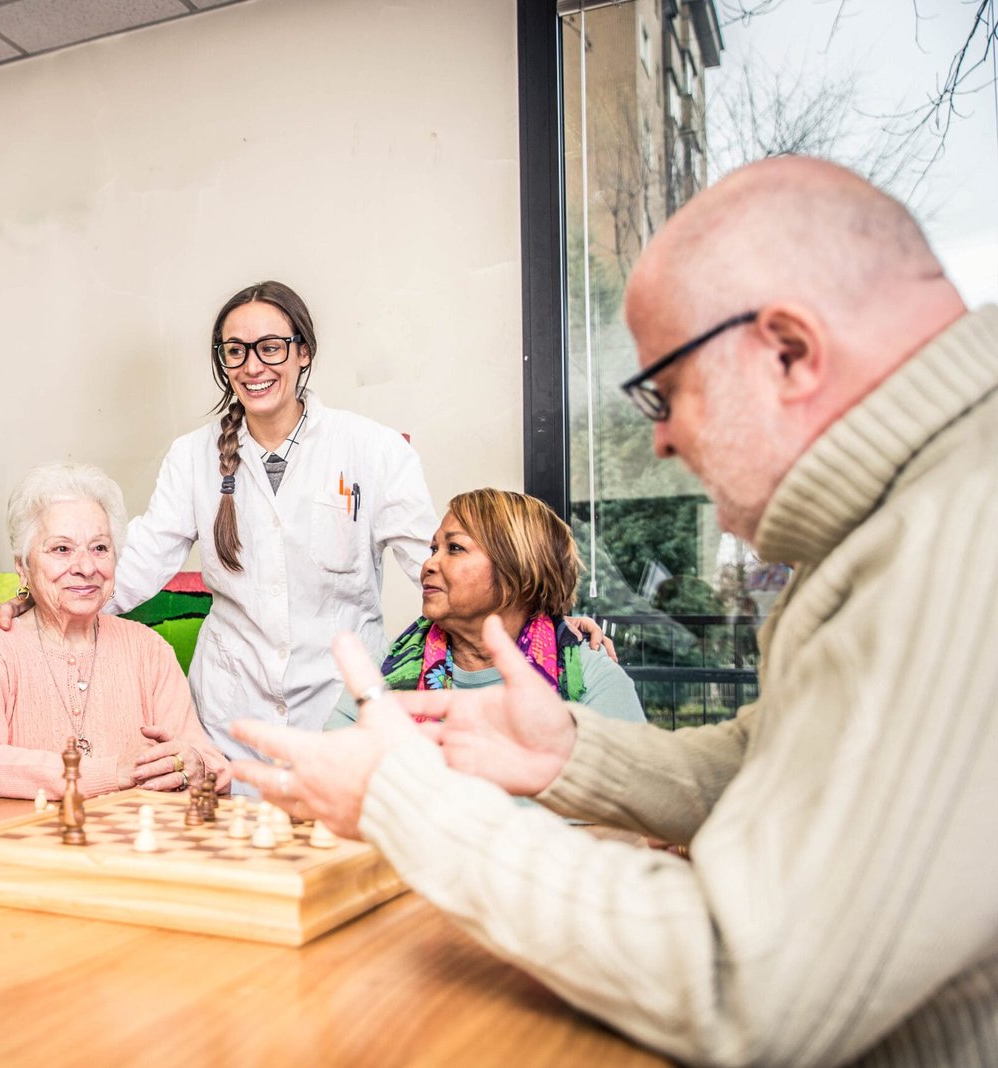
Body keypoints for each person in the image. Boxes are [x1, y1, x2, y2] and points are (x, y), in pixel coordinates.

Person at [229, 157, 998, 1065]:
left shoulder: (958, 531)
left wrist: (405, 801)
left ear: (789, 352)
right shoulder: (910, 512)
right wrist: (573, 752)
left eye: (665, 393)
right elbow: (774, 761)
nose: (660, 440)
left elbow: (747, 985)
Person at [0, 281, 610, 781]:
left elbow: (436, 567)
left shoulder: (373, 450)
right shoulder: (192, 457)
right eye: (235, 351)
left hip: (341, 710)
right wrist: (32, 604)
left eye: (271, 347)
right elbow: (134, 565)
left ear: (303, 353)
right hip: (229, 713)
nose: (253, 365)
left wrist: (544, 617)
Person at [0, 462, 228, 801]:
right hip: (22, 835)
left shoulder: (148, 649)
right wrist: (109, 773)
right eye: (61, 549)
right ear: (23, 566)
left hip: (129, 836)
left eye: (100, 548)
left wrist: (195, 766)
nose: (86, 567)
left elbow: (211, 765)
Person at [323, 488, 642, 729]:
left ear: (519, 571)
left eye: (455, 548)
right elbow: (333, 768)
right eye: (434, 549)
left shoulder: (592, 680)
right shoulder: (384, 669)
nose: (429, 564)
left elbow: (629, 795)